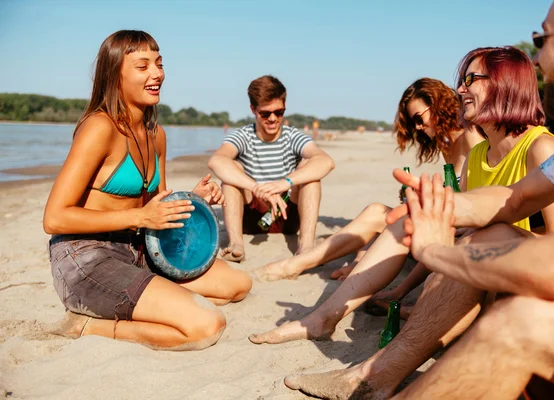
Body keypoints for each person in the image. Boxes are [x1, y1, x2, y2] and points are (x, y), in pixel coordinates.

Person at [274, 46, 554, 399]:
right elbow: (465, 218)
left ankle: (374, 372)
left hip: (520, 276)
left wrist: (480, 236)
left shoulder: (540, 147)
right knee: (414, 220)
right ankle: (333, 323)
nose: (460, 90)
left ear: (506, 85)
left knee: (483, 235)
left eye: (471, 79)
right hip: (479, 269)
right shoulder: (479, 154)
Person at [389, 1, 554, 398]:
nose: (536, 60)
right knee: (493, 237)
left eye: (541, 38)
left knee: (524, 320)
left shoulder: (542, 142)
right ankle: (380, 373)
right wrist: (440, 205)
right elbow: (516, 198)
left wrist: (435, 251)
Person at [43, 30, 252, 350]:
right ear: (115, 76)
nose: (157, 74)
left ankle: (156, 298)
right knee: (206, 325)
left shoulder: (157, 135)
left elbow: (154, 205)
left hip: (140, 249)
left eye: (159, 64)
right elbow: (55, 219)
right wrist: (141, 216)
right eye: (143, 67)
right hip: (88, 259)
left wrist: (193, 199)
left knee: (238, 284)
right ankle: (87, 326)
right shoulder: (100, 128)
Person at [253, 78, 483, 283]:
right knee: (377, 214)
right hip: (447, 226)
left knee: (378, 215)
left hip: (460, 233)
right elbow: (456, 193)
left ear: (438, 106)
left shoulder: (470, 137)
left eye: (418, 118)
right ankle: (351, 265)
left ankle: (297, 264)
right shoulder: (448, 147)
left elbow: (483, 194)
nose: (418, 127)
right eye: (413, 122)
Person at [208, 75, 335, 262]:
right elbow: (216, 161)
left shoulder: (292, 136)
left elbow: (326, 162)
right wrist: (258, 189)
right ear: (253, 109)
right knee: (232, 169)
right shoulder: (243, 135)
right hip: (250, 215)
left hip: (287, 213)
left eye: (279, 112)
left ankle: (306, 246)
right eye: (265, 113)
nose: (273, 119)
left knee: (309, 169)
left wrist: (284, 183)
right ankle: (236, 244)